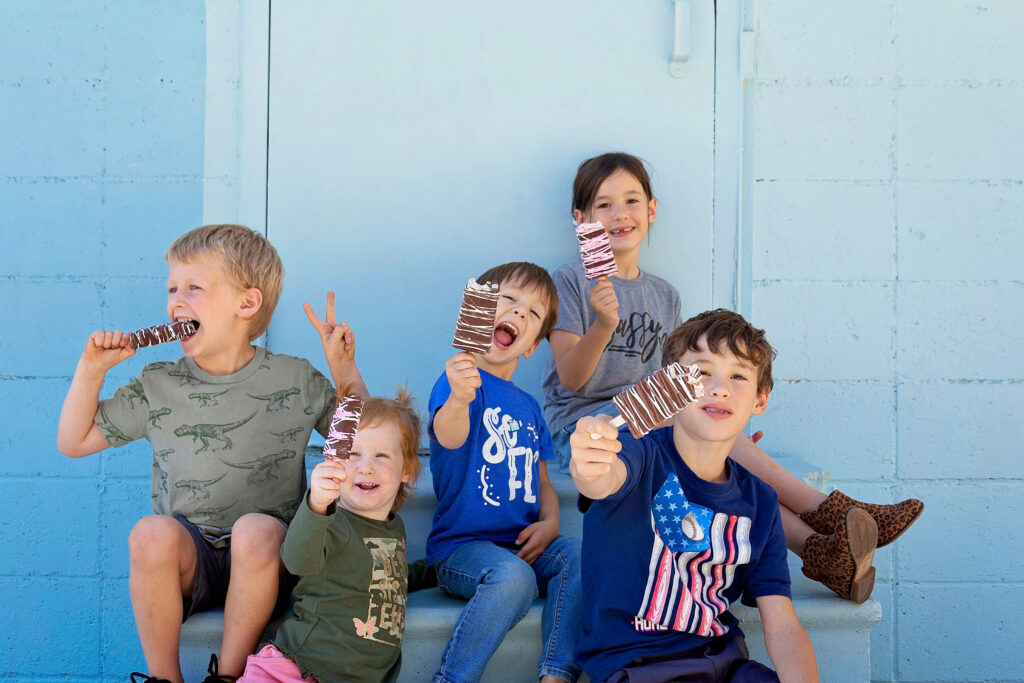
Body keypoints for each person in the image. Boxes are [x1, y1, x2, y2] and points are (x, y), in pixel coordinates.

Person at [541, 152, 922, 601]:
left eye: (631, 200)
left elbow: (676, 382)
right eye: (603, 205)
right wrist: (604, 322)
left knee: (718, 447)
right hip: (589, 430)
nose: (620, 214)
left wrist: (715, 427)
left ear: (652, 209)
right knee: (699, 429)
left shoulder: (665, 295)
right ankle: (834, 512)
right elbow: (571, 379)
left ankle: (823, 553)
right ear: (581, 219)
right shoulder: (569, 280)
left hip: (655, 421)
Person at [57, 224, 366, 683]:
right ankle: (165, 679)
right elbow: (74, 442)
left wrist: (344, 370)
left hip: (273, 560)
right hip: (191, 559)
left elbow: (358, 438)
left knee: (255, 530)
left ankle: (229, 676)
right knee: (149, 534)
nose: (176, 301)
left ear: (247, 303)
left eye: (194, 288)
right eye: (172, 289)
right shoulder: (158, 382)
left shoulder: (295, 379)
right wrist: (90, 370)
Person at [570, 309, 822, 682]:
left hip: (727, 663)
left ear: (760, 399)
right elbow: (602, 480)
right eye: (701, 372)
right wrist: (589, 462)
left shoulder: (761, 503)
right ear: (671, 389)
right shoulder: (639, 456)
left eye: (738, 375)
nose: (719, 387)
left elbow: (782, 625)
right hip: (637, 667)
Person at [426, 262, 583, 683]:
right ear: (478, 314)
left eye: (531, 314)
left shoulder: (529, 406)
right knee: (515, 579)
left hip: (521, 545)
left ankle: (556, 673)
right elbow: (449, 436)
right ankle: (453, 679)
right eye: (508, 300)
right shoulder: (458, 380)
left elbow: (543, 481)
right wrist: (460, 398)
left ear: (531, 346)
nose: (517, 313)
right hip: (463, 547)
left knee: (580, 555)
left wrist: (550, 522)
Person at [236, 389, 421, 683]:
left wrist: (436, 569)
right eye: (353, 454)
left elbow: (388, 576)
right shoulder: (330, 520)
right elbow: (297, 560)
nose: (366, 466)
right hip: (296, 668)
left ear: (407, 470)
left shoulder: (393, 528)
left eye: (381, 455)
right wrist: (317, 505)